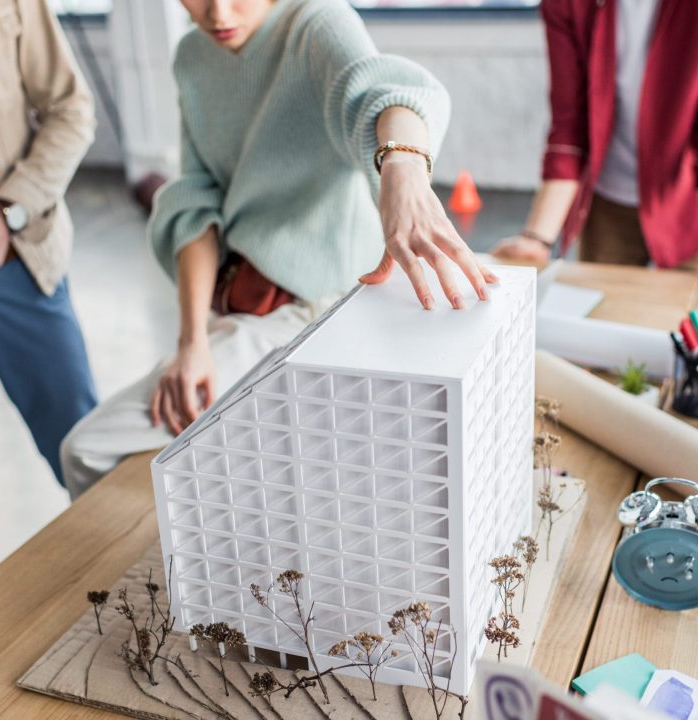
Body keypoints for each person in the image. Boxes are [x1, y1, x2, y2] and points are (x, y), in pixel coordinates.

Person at [61, 0, 498, 498]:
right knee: (92, 451)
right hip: (251, 308)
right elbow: (195, 201)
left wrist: (403, 167)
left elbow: (387, 95)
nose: (218, 13)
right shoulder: (191, 56)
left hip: (330, 307)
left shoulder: (315, 24)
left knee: (89, 450)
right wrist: (191, 342)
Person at [0, 0, 97, 576]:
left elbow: (71, 108)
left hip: (15, 259)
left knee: (81, 442)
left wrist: (7, 212)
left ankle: (149, 589)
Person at [492, 0, 698, 268]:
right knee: (600, 303)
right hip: (608, 201)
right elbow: (569, 126)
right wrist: (537, 239)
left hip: (688, 202)